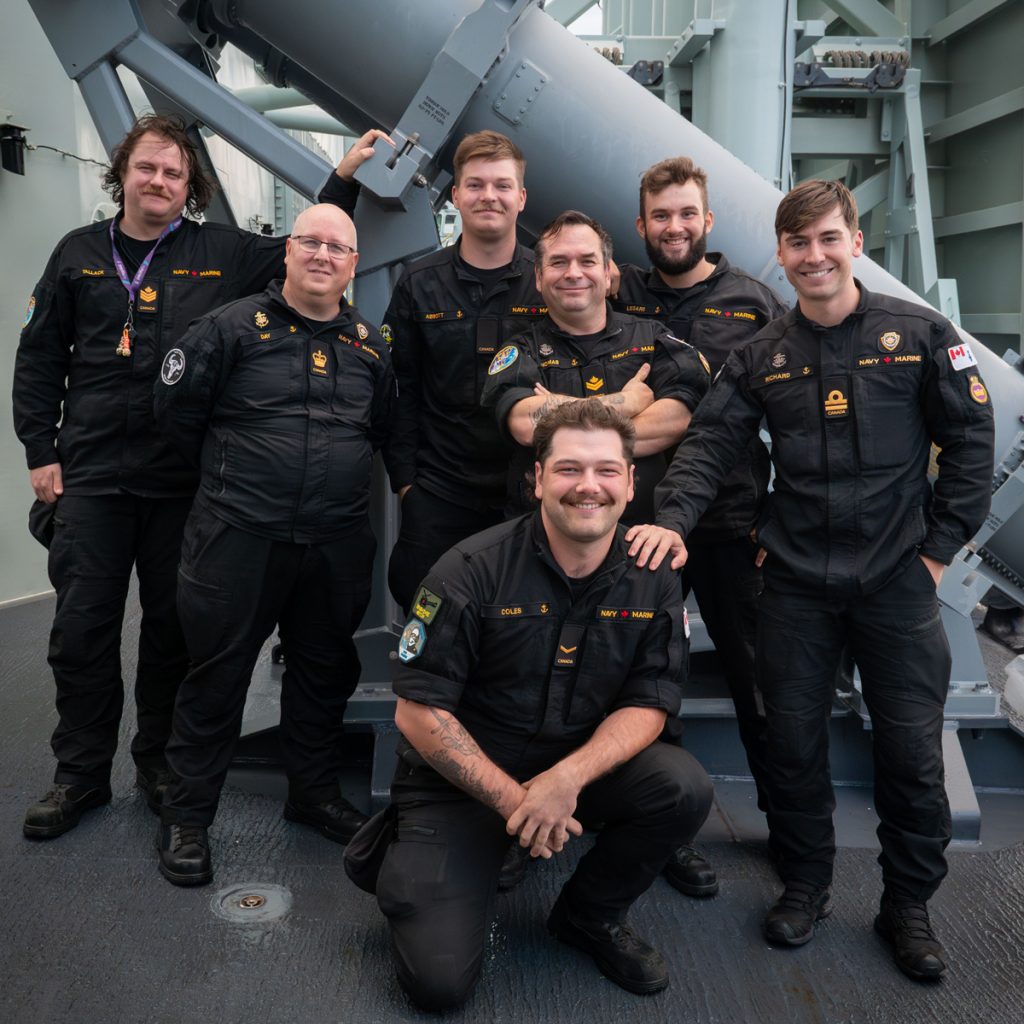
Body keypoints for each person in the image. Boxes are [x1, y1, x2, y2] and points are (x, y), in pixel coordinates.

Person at [627, 180, 995, 980]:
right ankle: (806, 883)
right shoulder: (764, 354)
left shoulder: (920, 336)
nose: (814, 256)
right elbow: (710, 446)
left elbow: (971, 442)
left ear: (855, 242)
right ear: (783, 253)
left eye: (828, 239)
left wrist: (936, 552)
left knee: (910, 754)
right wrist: (672, 520)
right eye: (798, 244)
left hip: (896, 582)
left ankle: (907, 905)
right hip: (793, 586)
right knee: (790, 745)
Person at [12, 113, 379, 841]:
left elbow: (308, 246)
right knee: (80, 632)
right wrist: (38, 450)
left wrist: (347, 177)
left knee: (174, 635)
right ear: (123, 173)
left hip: (182, 483)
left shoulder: (222, 252)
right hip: (91, 479)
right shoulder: (77, 254)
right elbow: (39, 357)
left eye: (174, 173)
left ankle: (157, 766)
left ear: (191, 187)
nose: (159, 181)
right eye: (147, 168)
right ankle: (80, 775)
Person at [367, 400, 712, 1010]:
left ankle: (587, 916)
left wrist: (566, 779)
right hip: (463, 779)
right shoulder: (468, 571)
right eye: (569, 469)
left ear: (632, 484)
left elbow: (651, 702)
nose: (589, 487)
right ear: (538, 480)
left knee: (680, 786)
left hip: (571, 767)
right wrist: (521, 804)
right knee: (439, 985)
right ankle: (405, 851)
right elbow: (418, 714)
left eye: (607, 471)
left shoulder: (652, 574)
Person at [150, 203, 392, 886]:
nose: (323, 255)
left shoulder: (372, 347)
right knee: (217, 673)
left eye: (337, 248)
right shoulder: (226, 330)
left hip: (334, 541)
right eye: (310, 242)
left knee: (323, 672)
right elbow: (176, 420)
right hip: (239, 536)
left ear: (353, 265)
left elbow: (387, 431)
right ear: (288, 252)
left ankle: (310, 794)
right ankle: (189, 815)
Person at [611, 157, 787, 898]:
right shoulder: (624, 291)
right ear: (643, 224)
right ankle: (666, 832)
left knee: (759, 678)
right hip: (638, 527)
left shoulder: (753, 301)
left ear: (707, 221)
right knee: (644, 678)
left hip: (729, 522)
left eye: (687, 214)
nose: (674, 227)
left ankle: (788, 824)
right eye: (660, 216)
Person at [382, 130, 548, 612]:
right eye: (475, 185)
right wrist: (406, 482)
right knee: (427, 604)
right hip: (441, 489)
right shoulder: (420, 284)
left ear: (521, 197)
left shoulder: (549, 282)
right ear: (454, 195)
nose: (488, 196)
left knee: (521, 618)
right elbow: (400, 389)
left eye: (501, 185)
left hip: (528, 487)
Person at [482, 209, 710, 526]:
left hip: (641, 544)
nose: (573, 273)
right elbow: (523, 421)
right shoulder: (521, 350)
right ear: (538, 277)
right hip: (540, 546)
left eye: (587, 261)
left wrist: (559, 421)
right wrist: (626, 403)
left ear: (606, 273)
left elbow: (679, 417)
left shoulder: (653, 340)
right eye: (559, 262)